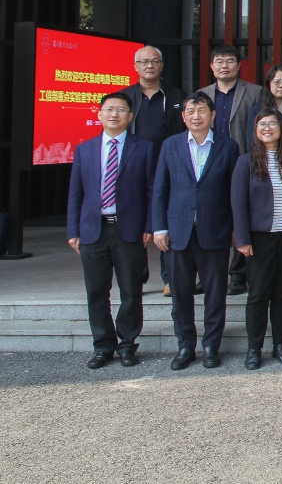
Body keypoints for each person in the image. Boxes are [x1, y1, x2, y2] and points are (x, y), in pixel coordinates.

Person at [67, 92, 155, 369]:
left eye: (120, 110)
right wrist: (73, 229)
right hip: (93, 230)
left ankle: (127, 344)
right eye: (109, 109)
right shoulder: (85, 149)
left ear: (130, 116)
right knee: (96, 291)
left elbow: (151, 191)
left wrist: (149, 226)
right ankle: (103, 346)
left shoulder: (145, 148)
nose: (114, 114)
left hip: (129, 230)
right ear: (99, 114)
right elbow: (76, 193)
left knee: (131, 291)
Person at [151, 92, 239, 370]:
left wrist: (235, 228)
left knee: (215, 293)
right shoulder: (171, 145)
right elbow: (160, 189)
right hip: (178, 231)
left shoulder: (228, 146)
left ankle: (211, 345)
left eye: (202, 111)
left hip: (215, 230)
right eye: (191, 111)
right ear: (183, 116)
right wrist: (159, 228)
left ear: (213, 115)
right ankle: (185, 345)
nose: (196, 116)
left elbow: (234, 192)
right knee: (180, 293)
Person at [230, 108, 282, 369]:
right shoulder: (246, 162)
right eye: (262, 124)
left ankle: (280, 345)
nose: (267, 128)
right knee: (258, 294)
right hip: (259, 239)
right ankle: (254, 349)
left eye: (272, 124)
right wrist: (242, 238)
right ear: (255, 130)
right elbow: (238, 202)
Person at [199, 45, 265, 296]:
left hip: (242, 159)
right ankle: (208, 272)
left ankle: (238, 274)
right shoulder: (201, 95)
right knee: (210, 213)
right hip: (210, 162)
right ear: (212, 66)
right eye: (219, 61)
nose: (224, 65)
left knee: (241, 213)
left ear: (238, 65)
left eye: (229, 61)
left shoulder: (255, 92)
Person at [120, 45, 185, 297]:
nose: (149, 66)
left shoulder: (177, 96)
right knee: (135, 223)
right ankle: (137, 277)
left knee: (166, 222)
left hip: (167, 168)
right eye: (144, 62)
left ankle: (169, 277)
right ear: (135, 66)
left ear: (162, 65)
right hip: (134, 170)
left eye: (154, 61)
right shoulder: (125, 98)